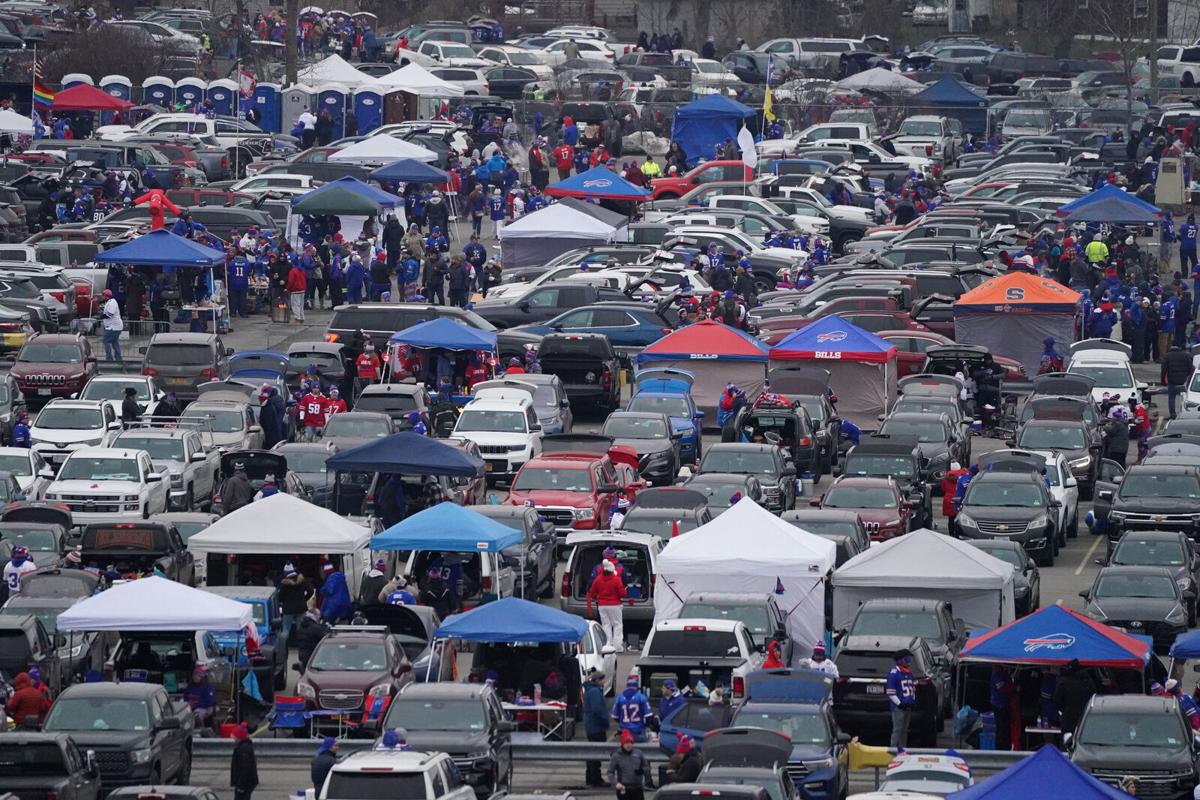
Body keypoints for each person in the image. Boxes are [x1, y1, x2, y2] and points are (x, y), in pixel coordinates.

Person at [587, 559, 627, 653]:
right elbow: (623, 594)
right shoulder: (616, 579)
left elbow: (592, 593)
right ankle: (617, 646)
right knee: (617, 625)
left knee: (606, 625)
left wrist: (598, 596)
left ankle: (607, 644)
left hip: (602, 605)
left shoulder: (598, 579)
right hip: (615, 605)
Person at [1053, 658, 1096, 734]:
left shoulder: (1063, 681)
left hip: (1068, 716)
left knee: (1067, 738)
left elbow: (1057, 700)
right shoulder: (1087, 680)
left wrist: (1063, 710)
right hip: (1085, 716)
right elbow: (1093, 696)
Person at [607, 729, 652, 800]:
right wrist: (616, 783)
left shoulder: (638, 753)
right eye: (626, 742)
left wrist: (642, 770)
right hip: (623, 788)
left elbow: (646, 766)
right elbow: (610, 772)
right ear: (622, 743)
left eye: (631, 742)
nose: (629, 745)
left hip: (638, 787)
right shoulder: (616, 756)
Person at [886, 648, 917, 749]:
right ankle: (893, 750)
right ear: (900, 660)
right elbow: (891, 693)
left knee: (905, 730)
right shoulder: (894, 674)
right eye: (907, 659)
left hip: (908, 707)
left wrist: (912, 700)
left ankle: (903, 749)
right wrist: (899, 703)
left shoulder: (908, 673)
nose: (909, 662)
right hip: (898, 708)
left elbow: (912, 689)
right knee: (897, 729)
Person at [584, 670, 610, 786]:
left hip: (592, 726)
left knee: (592, 752)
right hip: (596, 726)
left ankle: (591, 777)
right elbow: (597, 709)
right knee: (596, 753)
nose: (604, 681)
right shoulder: (594, 692)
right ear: (598, 680)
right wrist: (605, 720)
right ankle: (595, 778)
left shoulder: (591, 690)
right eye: (602, 679)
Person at [611, 676, 653, 741]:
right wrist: (645, 725)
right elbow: (649, 716)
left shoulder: (619, 698)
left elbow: (615, 716)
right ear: (637, 685)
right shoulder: (641, 697)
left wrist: (622, 722)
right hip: (638, 731)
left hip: (624, 731)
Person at [279, 563, 311, 641]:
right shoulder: (301, 581)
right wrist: (304, 599)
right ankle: (302, 646)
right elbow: (310, 591)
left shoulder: (284, 584)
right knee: (301, 630)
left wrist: (284, 602)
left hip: (288, 610)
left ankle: (283, 648)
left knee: (285, 631)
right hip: (301, 608)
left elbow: (280, 597)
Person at [1163, 343, 1192, 419]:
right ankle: (1185, 414)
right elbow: (1190, 368)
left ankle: (1173, 415)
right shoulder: (1185, 355)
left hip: (1172, 381)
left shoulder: (1167, 356)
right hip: (1183, 381)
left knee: (1172, 398)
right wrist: (1187, 376)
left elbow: (1163, 370)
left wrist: (1163, 381)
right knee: (1185, 398)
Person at [229, 724, 258, 800]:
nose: (232, 737)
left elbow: (245, 769)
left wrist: (240, 786)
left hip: (245, 783)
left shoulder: (243, 749)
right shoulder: (244, 746)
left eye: (234, 736)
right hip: (246, 782)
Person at [100, 288, 123, 363]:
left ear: (106, 296)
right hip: (114, 326)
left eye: (103, 295)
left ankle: (109, 358)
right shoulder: (110, 302)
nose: (102, 297)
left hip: (114, 327)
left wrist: (101, 316)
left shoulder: (112, 302)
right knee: (115, 342)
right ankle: (118, 358)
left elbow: (109, 315)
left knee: (106, 341)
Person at [286, 259, 307, 324]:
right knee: (301, 305)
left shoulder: (292, 271)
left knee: (295, 305)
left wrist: (288, 289)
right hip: (302, 290)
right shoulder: (302, 270)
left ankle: (297, 318)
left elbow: (291, 282)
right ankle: (302, 317)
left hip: (295, 290)